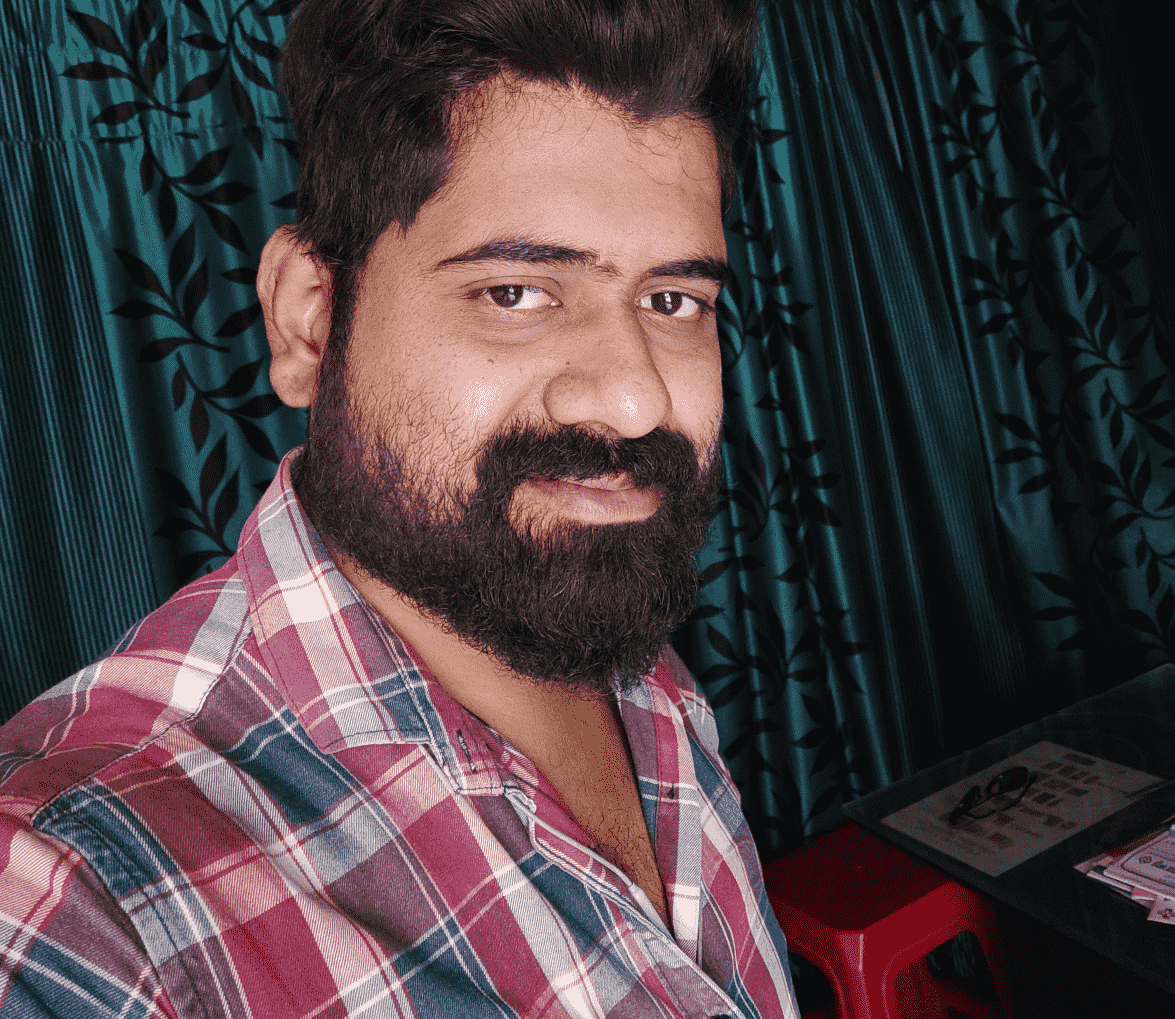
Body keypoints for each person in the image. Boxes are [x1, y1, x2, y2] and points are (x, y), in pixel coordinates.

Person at [0, 1, 800, 1015]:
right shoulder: (81, 894)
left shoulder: (601, 629)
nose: (635, 399)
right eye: (514, 293)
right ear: (309, 319)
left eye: (671, 301)